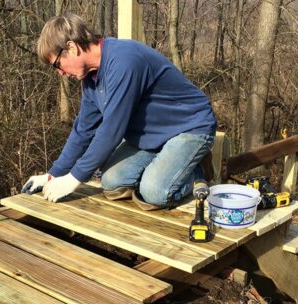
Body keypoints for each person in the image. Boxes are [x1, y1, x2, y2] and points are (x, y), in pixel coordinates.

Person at [21, 13, 217, 210]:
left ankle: (197, 171)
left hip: (189, 127)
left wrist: (74, 178)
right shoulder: (91, 79)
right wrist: (53, 175)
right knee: (112, 182)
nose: (60, 73)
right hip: (153, 137)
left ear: (71, 47)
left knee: (155, 193)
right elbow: (83, 130)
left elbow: (111, 130)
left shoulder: (124, 61)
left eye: (57, 64)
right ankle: (167, 166)